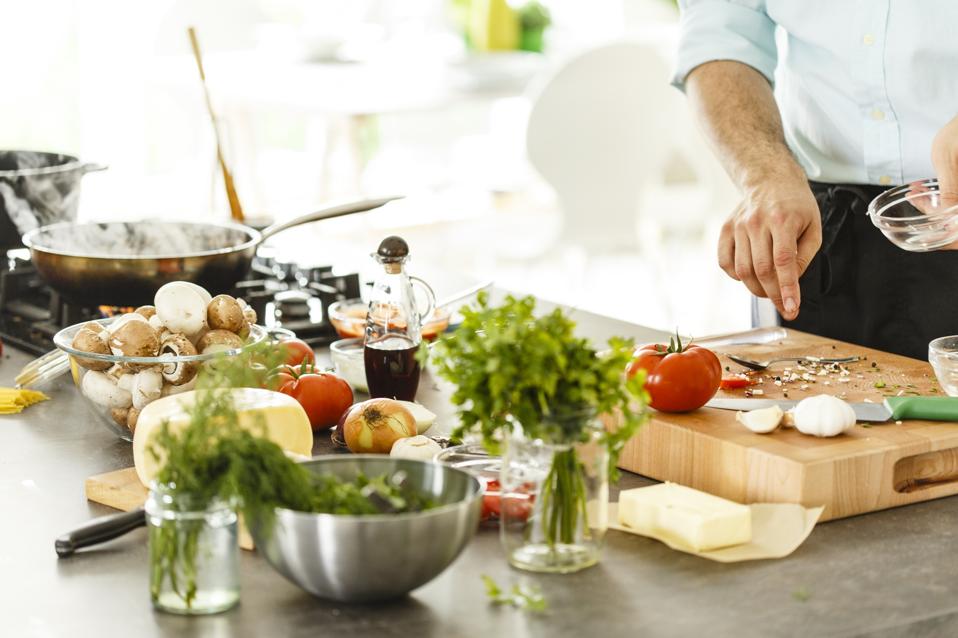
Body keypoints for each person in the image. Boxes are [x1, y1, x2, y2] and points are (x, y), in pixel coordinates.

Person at [672, 1, 958, 359]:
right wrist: (765, 174)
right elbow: (719, 36)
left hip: (949, 212)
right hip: (817, 234)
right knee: (807, 411)